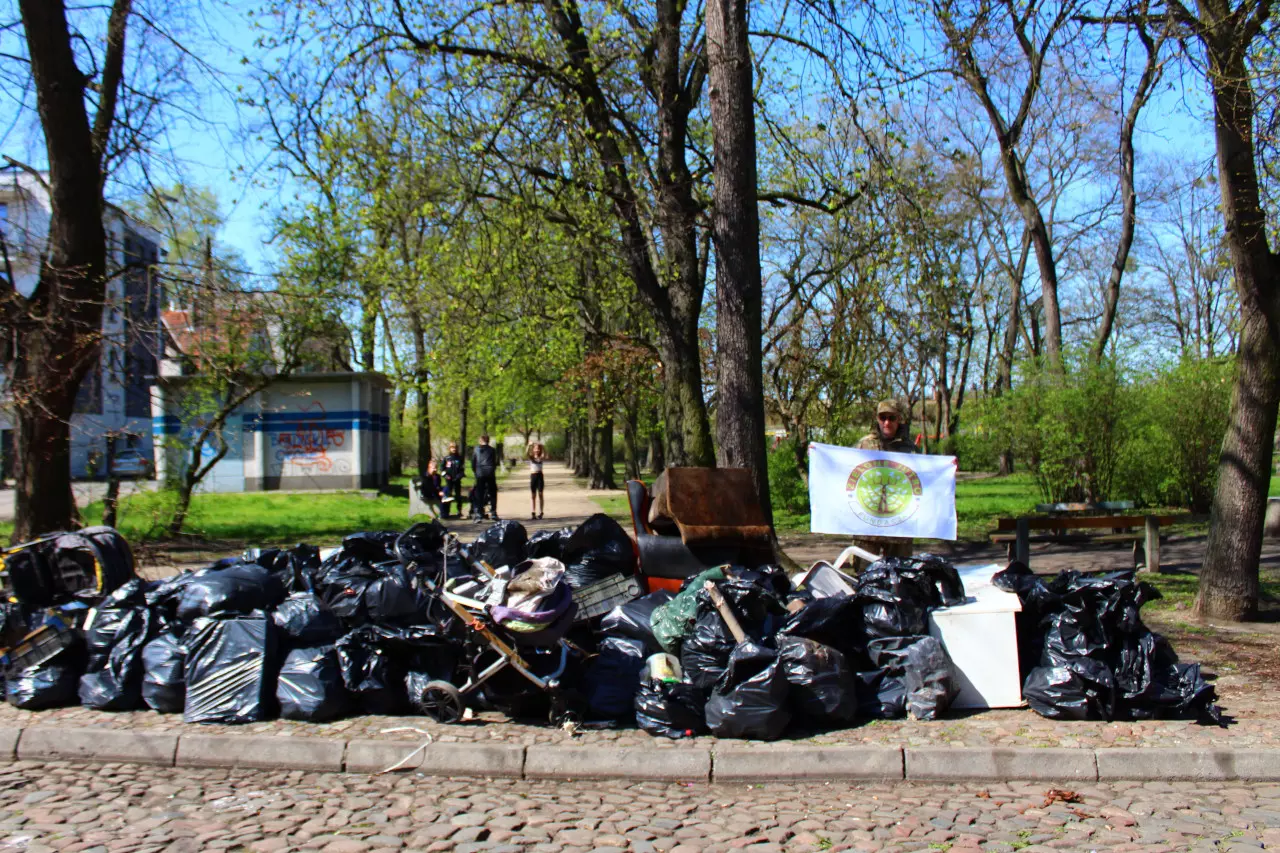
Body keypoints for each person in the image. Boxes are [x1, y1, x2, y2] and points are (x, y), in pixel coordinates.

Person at [854, 399, 917, 563]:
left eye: (892, 418)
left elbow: (926, 477)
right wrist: (819, 455)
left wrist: (949, 468)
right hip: (868, 527)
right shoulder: (864, 445)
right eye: (883, 418)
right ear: (877, 419)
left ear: (899, 419)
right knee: (865, 574)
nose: (887, 422)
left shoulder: (910, 449)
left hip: (899, 528)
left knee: (901, 574)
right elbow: (843, 468)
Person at [471, 434, 499, 521]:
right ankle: (493, 512)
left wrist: (476, 472)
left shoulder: (476, 450)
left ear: (480, 441)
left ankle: (479, 513)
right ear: (488, 441)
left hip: (480, 473)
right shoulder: (492, 450)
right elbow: (495, 462)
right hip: (490, 473)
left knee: (479, 493)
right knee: (493, 492)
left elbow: (473, 462)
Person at [441, 442, 465, 518]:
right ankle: (447, 512)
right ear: (450, 448)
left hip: (457, 480)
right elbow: (442, 469)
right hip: (449, 480)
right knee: (448, 496)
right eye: (452, 447)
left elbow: (462, 470)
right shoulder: (446, 458)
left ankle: (459, 511)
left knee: (458, 496)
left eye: (455, 447)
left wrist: (459, 476)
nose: (454, 449)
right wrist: (446, 475)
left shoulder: (460, 458)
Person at [528, 442, 546, 520]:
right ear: (533, 449)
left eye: (538, 449)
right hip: (533, 475)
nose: (537, 450)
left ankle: (541, 512)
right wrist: (529, 445)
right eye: (535, 449)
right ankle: (533, 511)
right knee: (533, 495)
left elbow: (545, 455)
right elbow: (526, 453)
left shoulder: (541, 457)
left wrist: (543, 446)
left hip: (540, 475)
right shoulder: (532, 457)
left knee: (541, 494)